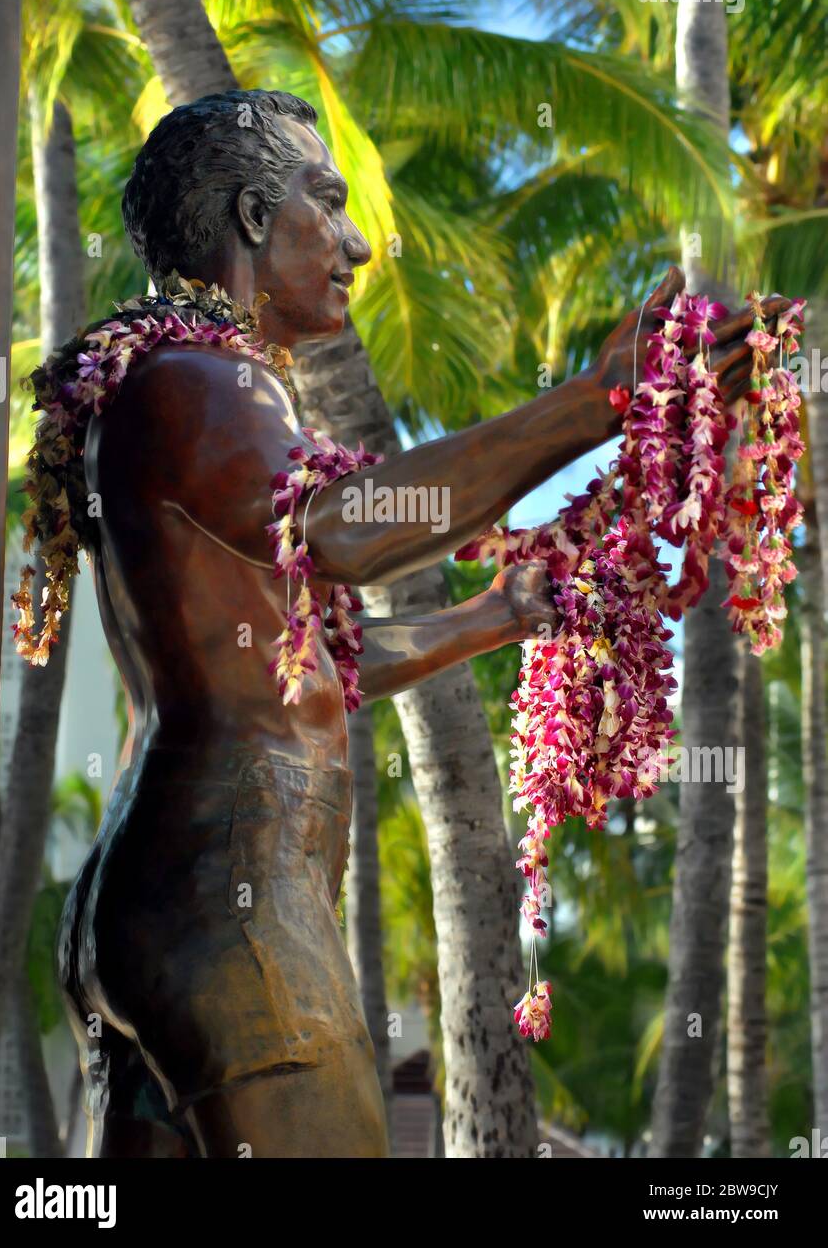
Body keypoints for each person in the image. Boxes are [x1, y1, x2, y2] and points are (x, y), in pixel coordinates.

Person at [51, 90, 789, 1158]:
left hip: (159, 903)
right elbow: (345, 535)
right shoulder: (201, 382)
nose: (354, 245)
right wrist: (595, 402)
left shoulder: (185, 386)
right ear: (255, 219)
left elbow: (298, 670)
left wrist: (500, 615)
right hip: (230, 902)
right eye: (327, 203)